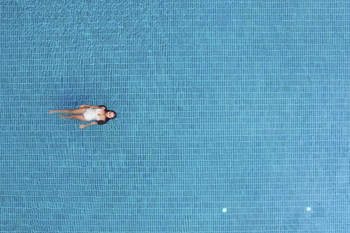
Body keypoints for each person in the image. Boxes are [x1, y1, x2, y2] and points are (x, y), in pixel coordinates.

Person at [50, 105, 116, 129]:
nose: (108, 114)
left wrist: (84, 126)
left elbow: (93, 123)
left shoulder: (103, 120)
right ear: (109, 111)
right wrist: (85, 105)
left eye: (110, 115)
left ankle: (63, 116)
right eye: (110, 113)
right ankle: (55, 111)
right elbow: (93, 107)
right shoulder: (103, 108)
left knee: (73, 116)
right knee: (72, 111)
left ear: (109, 118)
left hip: (87, 118)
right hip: (87, 110)